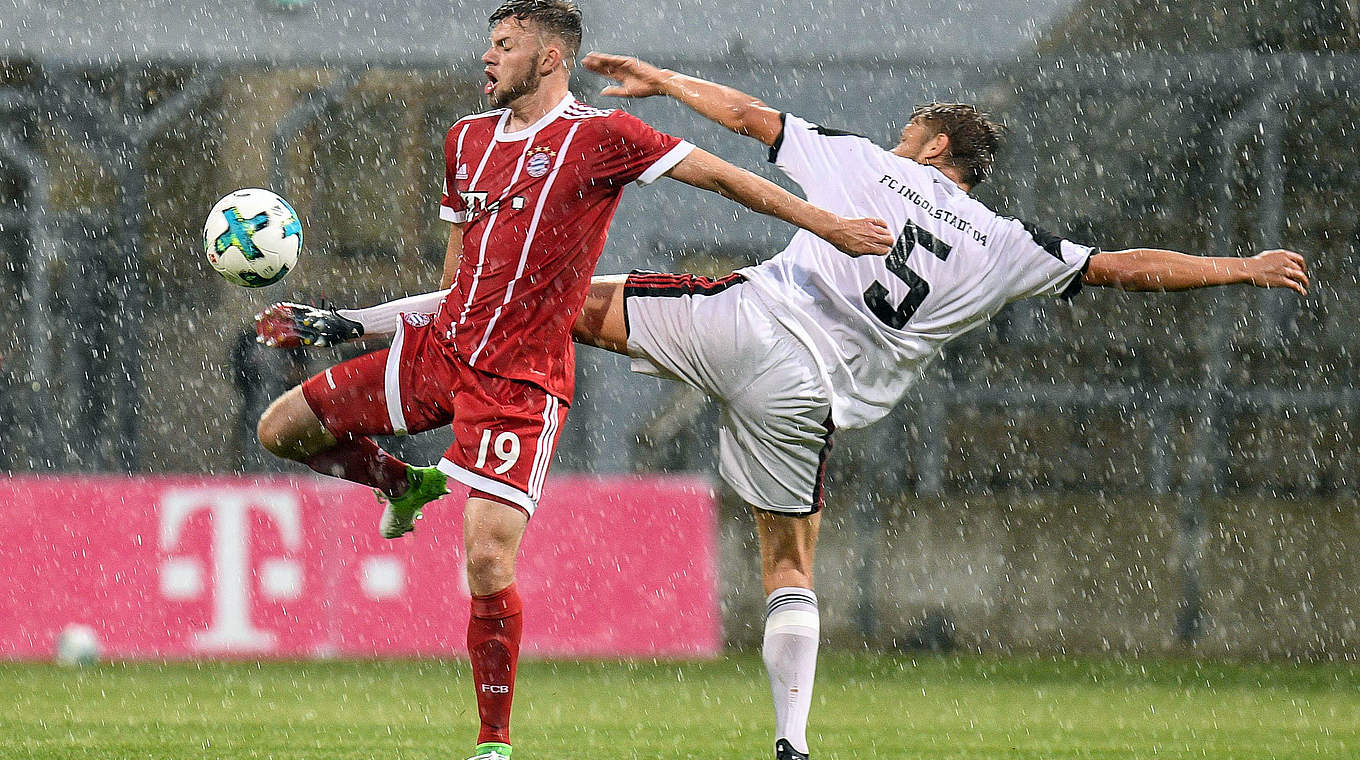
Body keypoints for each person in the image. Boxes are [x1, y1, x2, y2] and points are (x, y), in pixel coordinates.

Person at [260, 54, 1309, 760]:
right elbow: (1126, 268)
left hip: (747, 321)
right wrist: (1237, 267)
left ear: (933, 148)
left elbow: (749, 121)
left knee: (544, 299)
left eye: (915, 129)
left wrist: (656, 79)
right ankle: (791, 741)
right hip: (808, 398)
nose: (903, 134)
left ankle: (359, 324)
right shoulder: (1008, 246)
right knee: (786, 563)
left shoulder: (862, 163)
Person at [252, 3, 893, 760]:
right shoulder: (466, 140)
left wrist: (830, 226)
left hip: (518, 384)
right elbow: (454, 292)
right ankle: (400, 483)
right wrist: (349, 322)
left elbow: (719, 176)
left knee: (487, 557)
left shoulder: (602, 138)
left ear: (550, 57)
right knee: (281, 429)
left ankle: (493, 742)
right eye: (489, 42)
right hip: (442, 353)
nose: (488, 56)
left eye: (505, 44)